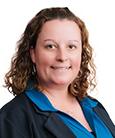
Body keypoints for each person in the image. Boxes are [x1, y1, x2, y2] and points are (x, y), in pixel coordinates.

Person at [0, 7, 115, 138]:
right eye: (50, 46)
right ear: (33, 53)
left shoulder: (95, 107)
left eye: (71, 46)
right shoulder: (12, 118)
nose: (62, 56)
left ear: (81, 53)